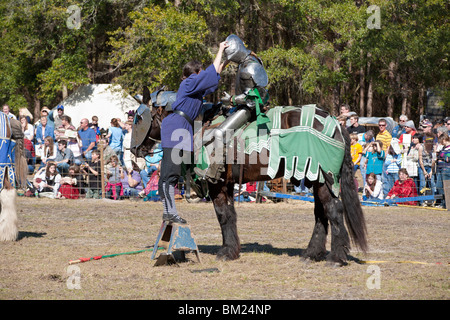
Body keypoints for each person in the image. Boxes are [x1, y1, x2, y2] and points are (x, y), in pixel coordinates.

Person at [159, 41, 228, 224]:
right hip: (175, 127)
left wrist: (224, 63)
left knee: (176, 173)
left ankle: (170, 212)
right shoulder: (188, 82)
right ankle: (169, 212)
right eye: (201, 72)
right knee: (170, 174)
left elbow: (212, 80)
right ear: (196, 73)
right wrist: (220, 49)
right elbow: (209, 75)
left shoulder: (194, 90)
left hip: (184, 127)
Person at [195, 34, 269, 184]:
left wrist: (232, 99)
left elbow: (254, 99)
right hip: (245, 104)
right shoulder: (247, 62)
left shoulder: (249, 67)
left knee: (219, 132)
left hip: (251, 108)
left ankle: (216, 171)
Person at [435, 134, 450, 208]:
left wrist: (441, 157)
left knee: (446, 187)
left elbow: (448, 159)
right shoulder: (443, 148)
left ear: (444, 139)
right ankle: (443, 203)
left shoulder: (449, 148)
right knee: (439, 187)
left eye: (440, 140)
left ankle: (446, 204)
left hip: (446, 169)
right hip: (440, 169)